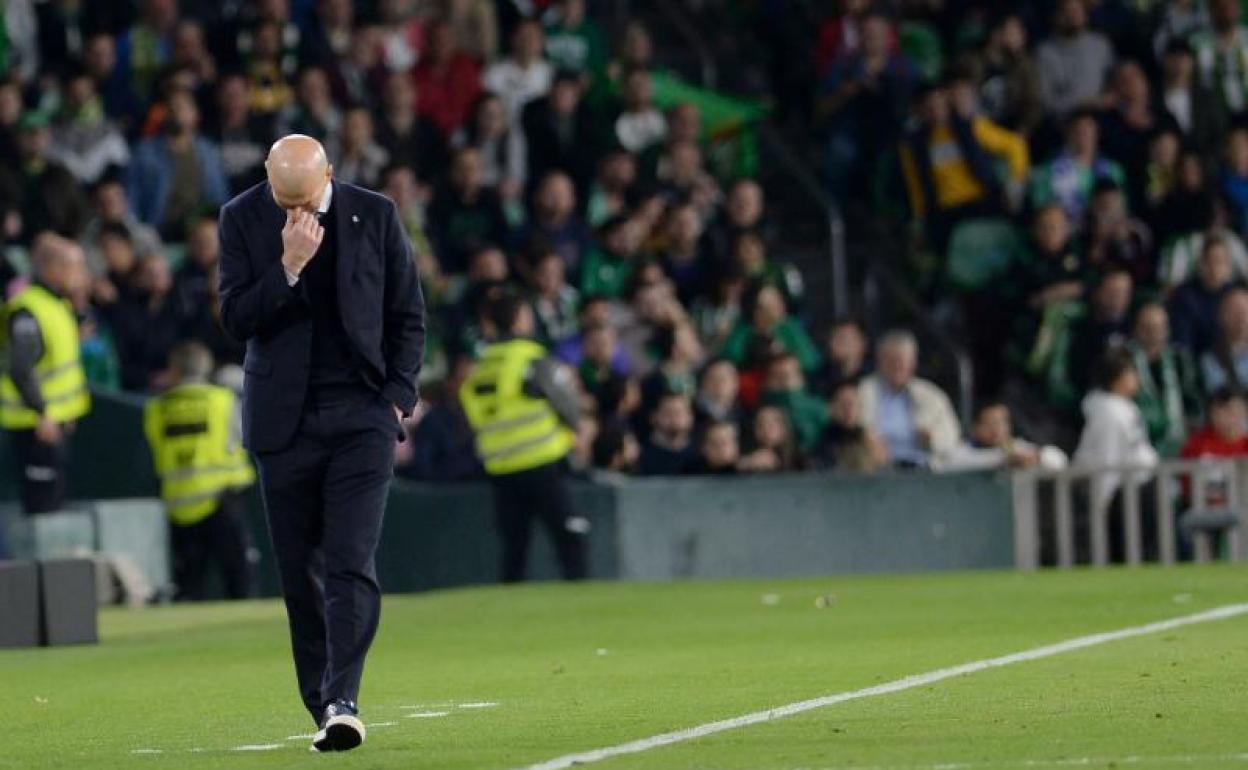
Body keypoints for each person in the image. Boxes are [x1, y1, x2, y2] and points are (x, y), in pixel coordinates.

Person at [217, 134, 426, 752]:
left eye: (304, 200)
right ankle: (321, 702)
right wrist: (287, 267)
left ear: (330, 174)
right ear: (267, 179)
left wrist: (397, 395)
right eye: (283, 200)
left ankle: (344, 699)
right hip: (285, 422)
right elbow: (234, 319)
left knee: (349, 560)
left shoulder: (376, 213)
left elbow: (407, 312)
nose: (295, 214)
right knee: (297, 575)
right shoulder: (241, 218)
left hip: (361, 414)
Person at [458, 292, 587, 583]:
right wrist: (576, 428)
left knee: (515, 547)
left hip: (501, 467)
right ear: (520, 320)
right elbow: (566, 401)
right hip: (542, 460)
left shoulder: (481, 369)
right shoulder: (531, 360)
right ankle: (583, 599)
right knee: (571, 537)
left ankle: (508, 612)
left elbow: (471, 417)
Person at [143, 342, 256, 601]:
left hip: (179, 504)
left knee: (189, 587)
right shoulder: (223, 401)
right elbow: (244, 437)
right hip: (223, 499)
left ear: (173, 370)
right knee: (240, 581)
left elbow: (154, 452)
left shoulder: (156, 409)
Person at [0, 234, 91, 514]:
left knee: (55, 499)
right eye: (75, 267)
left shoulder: (57, 305)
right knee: (41, 504)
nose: (81, 275)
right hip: (34, 424)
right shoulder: (29, 309)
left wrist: (64, 412)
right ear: (53, 268)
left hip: (53, 421)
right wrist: (44, 412)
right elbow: (20, 368)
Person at [857, 330, 961, 468]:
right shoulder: (863, 391)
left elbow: (951, 438)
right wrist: (866, 441)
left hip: (923, 470)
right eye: (890, 360)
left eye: (901, 360)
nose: (896, 366)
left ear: (912, 363)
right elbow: (853, 430)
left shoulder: (931, 395)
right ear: (880, 362)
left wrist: (932, 439)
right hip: (876, 470)